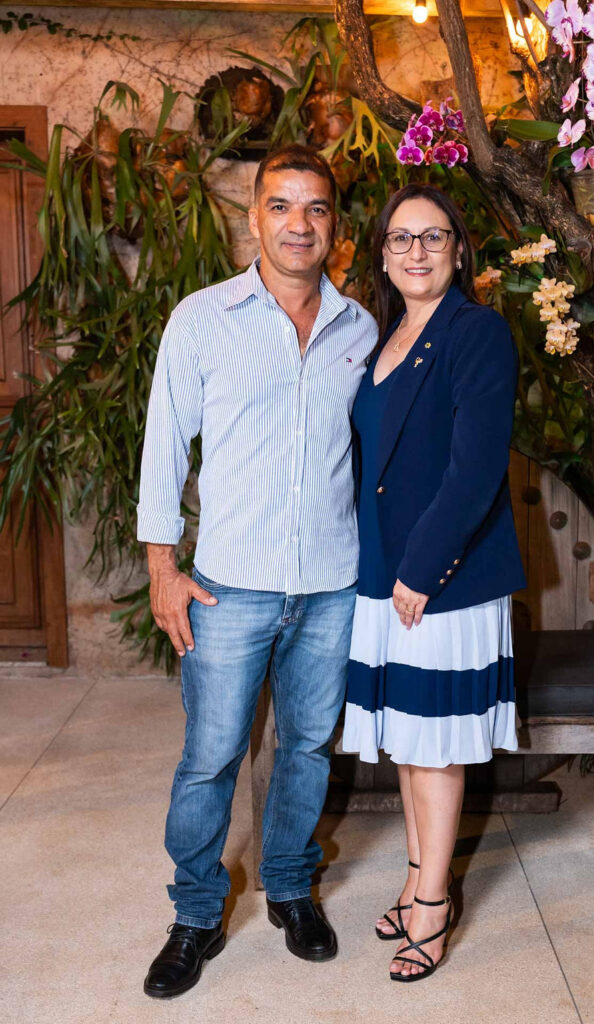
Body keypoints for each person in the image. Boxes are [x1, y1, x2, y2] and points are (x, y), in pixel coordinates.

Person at [137, 144, 377, 999]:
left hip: (332, 584)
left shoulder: (362, 329)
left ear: (334, 225)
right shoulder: (202, 319)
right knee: (210, 757)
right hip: (227, 585)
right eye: (281, 206)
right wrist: (162, 568)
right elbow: (164, 445)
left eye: (314, 208)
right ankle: (197, 912)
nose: (297, 224)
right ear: (253, 219)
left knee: (306, 747)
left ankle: (288, 887)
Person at [342, 183, 526, 983]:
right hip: (381, 573)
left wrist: (421, 570)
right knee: (409, 744)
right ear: (383, 255)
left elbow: (474, 469)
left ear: (457, 249)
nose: (415, 250)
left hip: (440, 579)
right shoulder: (385, 338)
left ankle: (432, 905)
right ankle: (418, 876)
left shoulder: (475, 332)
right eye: (400, 237)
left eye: (433, 236)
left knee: (436, 750)